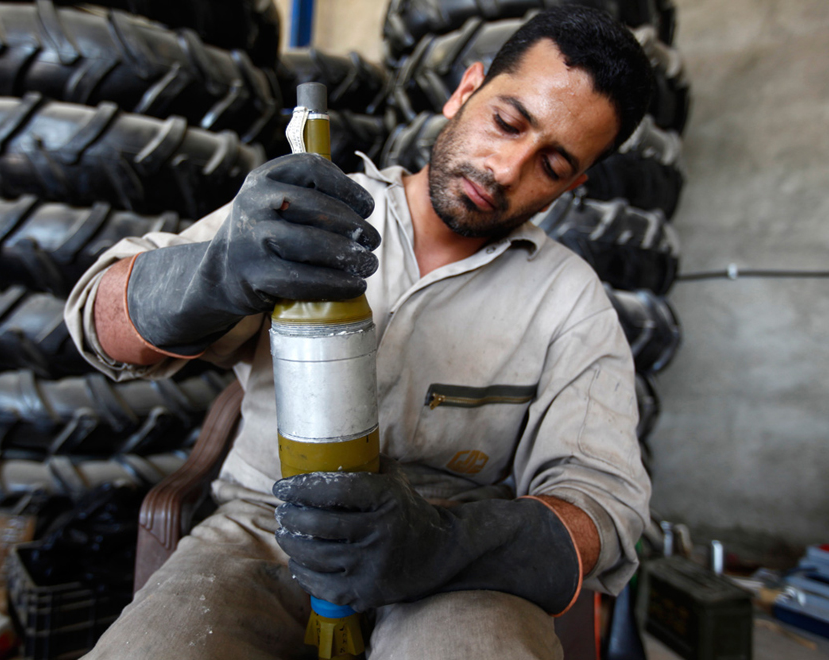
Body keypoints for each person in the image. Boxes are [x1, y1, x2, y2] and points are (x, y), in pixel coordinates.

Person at [65, 6, 655, 659]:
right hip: (265, 524)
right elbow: (98, 321)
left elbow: (604, 508)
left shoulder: (568, 299)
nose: (508, 168)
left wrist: (445, 544)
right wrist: (215, 273)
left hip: (452, 552)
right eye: (507, 122)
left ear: (575, 183)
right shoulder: (306, 213)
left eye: (552, 163)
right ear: (466, 89)